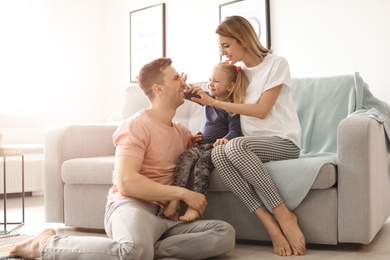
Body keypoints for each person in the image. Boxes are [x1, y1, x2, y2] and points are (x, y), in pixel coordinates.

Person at [9, 57, 236, 260]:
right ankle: (46, 244)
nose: (183, 84)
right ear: (158, 89)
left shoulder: (182, 133)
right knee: (134, 251)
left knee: (224, 234)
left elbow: (204, 146)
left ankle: (146, 249)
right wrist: (183, 193)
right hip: (132, 206)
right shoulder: (136, 126)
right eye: (176, 79)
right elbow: (127, 183)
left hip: (166, 217)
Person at [187, 16, 306, 256]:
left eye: (226, 45)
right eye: (220, 46)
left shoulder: (276, 64)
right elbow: (217, 101)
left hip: (282, 142)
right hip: (248, 145)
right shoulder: (237, 73)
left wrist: (213, 102)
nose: (222, 52)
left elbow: (262, 110)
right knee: (220, 151)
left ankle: (283, 213)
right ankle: (270, 224)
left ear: (243, 40)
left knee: (234, 147)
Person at [162, 62, 248, 222]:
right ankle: (175, 200)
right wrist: (182, 84)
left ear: (230, 87)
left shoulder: (233, 107)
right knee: (184, 157)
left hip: (216, 148)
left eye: (216, 81)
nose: (210, 83)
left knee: (202, 164)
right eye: (210, 79)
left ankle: (196, 205)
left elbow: (235, 130)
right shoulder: (208, 98)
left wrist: (226, 139)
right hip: (201, 144)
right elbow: (188, 94)